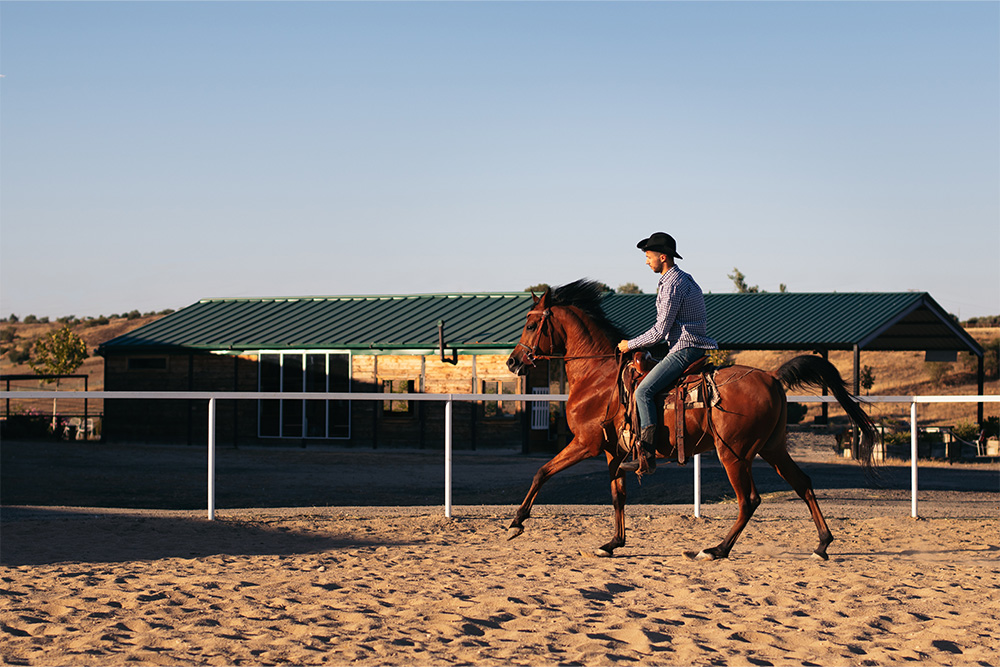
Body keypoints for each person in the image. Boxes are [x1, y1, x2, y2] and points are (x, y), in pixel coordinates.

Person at [617, 232, 717, 474]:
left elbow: (659, 332)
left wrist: (629, 345)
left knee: (643, 392)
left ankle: (647, 455)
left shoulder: (671, 285)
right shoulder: (684, 278)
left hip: (684, 348)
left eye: (649, 256)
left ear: (663, 257)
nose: (646, 261)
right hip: (690, 345)